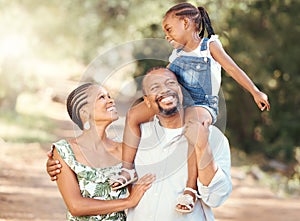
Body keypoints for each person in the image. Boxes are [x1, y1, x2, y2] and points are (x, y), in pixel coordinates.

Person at [112, 2, 270, 213]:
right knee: (133, 114)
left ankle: (190, 189)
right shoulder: (175, 56)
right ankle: (128, 169)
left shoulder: (209, 46)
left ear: (186, 23)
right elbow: (164, 77)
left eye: (169, 29)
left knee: (194, 128)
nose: (166, 36)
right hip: (180, 102)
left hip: (202, 104)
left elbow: (232, 68)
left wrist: (255, 91)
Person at [47, 67, 232, 221]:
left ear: (181, 92)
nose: (164, 90)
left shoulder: (214, 139)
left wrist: (202, 145)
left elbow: (215, 198)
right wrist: (58, 162)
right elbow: (79, 198)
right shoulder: (138, 140)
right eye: (155, 87)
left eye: (170, 84)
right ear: (147, 101)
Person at [47, 82, 155, 221]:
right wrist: (128, 202)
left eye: (109, 96)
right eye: (101, 97)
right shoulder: (64, 152)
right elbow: (76, 206)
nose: (111, 100)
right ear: (84, 112)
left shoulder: (124, 150)